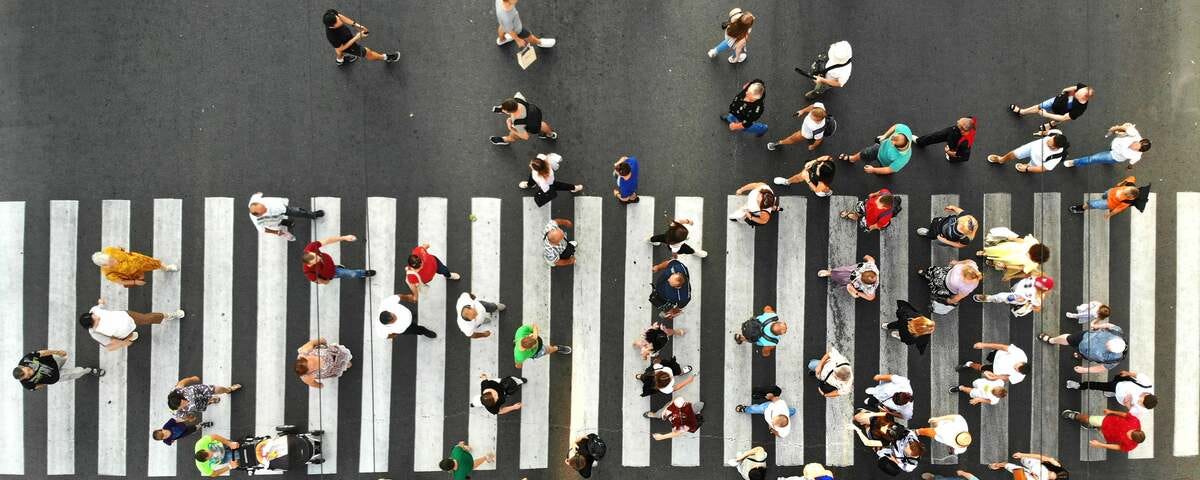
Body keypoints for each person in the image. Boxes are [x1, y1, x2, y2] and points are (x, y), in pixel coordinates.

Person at [80, 298, 184, 351]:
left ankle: (170, 315)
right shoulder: (94, 333)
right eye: (95, 320)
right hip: (124, 333)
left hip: (127, 316)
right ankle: (132, 335)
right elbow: (109, 344)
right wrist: (123, 343)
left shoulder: (94, 310)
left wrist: (101, 303)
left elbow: (99, 307)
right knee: (131, 335)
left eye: (93, 315)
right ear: (91, 325)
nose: (96, 317)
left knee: (147, 318)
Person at [848, 409, 923, 474]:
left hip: (887, 445)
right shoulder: (909, 436)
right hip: (890, 434)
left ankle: (869, 426)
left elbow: (905, 468)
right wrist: (874, 414)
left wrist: (896, 461)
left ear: (909, 456)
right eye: (907, 445)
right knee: (860, 418)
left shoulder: (911, 465)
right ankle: (869, 419)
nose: (905, 446)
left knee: (867, 427)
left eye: (905, 450)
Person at [1039, 321, 1127, 374]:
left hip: (1088, 354)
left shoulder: (1115, 360)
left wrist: (1085, 370)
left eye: (1108, 348)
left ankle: (1081, 355)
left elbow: (1101, 368)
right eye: (1108, 343)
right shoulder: (1117, 332)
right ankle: (1052, 340)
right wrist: (1097, 326)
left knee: (1084, 355)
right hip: (1084, 337)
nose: (1106, 345)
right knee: (1068, 338)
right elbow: (1108, 325)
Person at [322, 9, 400, 66]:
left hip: (345, 38)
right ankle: (386, 57)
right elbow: (341, 48)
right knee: (368, 53)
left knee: (339, 53)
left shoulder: (330, 14)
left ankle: (339, 60)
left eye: (338, 17)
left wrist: (358, 25)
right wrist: (357, 37)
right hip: (347, 45)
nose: (340, 19)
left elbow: (341, 16)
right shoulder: (331, 36)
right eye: (338, 21)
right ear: (332, 26)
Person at [1066, 370, 1157, 417]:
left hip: (1120, 395)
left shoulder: (1143, 410)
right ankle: (1081, 386)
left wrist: (1128, 404)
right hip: (1121, 383)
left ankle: (1079, 386)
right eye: (1141, 399)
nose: (1138, 400)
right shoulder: (1148, 385)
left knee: (1098, 386)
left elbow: (1131, 414)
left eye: (1140, 403)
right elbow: (1138, 375)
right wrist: (1127, 373)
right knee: (1110, 380)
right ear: (1147, 394)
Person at [1064, 122, 1150, 169]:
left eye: (1136, 148)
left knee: (1092, 159)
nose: (1134, 146)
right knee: (1105, 155)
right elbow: (1125, 128)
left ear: (1139, 151)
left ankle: (1075, 162)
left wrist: (1129, 166)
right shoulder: (1136, 135)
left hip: (1113, 156)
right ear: (1139, 140)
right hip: (1115, 144)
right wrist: (1114, 129)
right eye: (1136, 143)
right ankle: (1107, 162)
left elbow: (1132, 162)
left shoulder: (1137, 156)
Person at [837, 123, 914, 175]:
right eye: (893, 137)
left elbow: (890, 169)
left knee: (883, 172)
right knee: (864, 153)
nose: (891, 141)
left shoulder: (904, 157)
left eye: (894, 142)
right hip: (879, 149)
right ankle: (852, 159)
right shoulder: (904, 129)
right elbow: (896, 126)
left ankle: (877, 171)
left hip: (885, 164)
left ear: (899, 147)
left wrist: (873, 170)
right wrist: (885, 135)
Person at [1009, 83, 1094, 129]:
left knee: (1058, 120)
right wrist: (1065, 90)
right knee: (1039, 106)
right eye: (1076, 91)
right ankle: (1022, 112)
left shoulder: (1080, 109)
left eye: (1077, 94)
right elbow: (1075, 87)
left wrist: (1046, 115)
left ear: (1084, 98)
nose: (1075, 93)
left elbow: (1063, 118)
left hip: (1061, 113)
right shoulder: (1083, 88)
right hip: (1055, 101)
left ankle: (1050, 125)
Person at [986, 128, 1070, 173]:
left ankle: (1026, 167)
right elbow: (1047, 133)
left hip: (1036, 160)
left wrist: (1027, 169)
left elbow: (1043, 168)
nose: (1047, 142)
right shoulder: (1057, 132)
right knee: (1014, 153)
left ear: (1056, 148)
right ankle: (1001, 160)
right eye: (1050, 139)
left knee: (1029, 166)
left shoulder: (1057, 157)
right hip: (1030, 147)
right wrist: (1041, 133)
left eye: (1049, 145)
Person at [978, 227, 1050, 280]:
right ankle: (984, 252)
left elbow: (1020, 268)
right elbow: (1022, 241)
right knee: (994, 250)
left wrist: (1005, 267)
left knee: (998, 262)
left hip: (1009, 260)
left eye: (1030, 254)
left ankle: (992, 262)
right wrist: (1013, 239)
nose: (1028, 253)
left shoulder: (1033, 264)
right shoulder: (1034, 242)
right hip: (1008, 248)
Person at [1060, 408, 1145, 453]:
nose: (1128, 433)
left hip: (1107, 434)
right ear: (1136, 429)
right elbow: (1125, 415)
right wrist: (1111, 412)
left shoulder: (1131, 446)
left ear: (1133, 441)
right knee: (1087, 419)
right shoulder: (1135, 422)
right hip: (1106, 420)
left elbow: (1118, 447)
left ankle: (1094, 427)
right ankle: (1075, 415)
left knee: (1099, 428)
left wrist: (1100, 445)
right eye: (1131, 432)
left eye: (1129, 436)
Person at [246, 192, 323, 241]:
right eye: (264, 211)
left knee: (299, 211)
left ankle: (313, 215)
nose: (266, 208)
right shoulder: (257, 221)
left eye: (263, 206)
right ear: (259, 215)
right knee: (279, 222)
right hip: (275, 220)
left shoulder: (255, 200)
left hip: (282, 208)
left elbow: (258, 194)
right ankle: (286, 222)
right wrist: (276, 232)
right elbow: (262, 230)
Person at [13, 349, 101, 391]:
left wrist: (57, 352)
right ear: (21, 379)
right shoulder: (27, 385)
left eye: (27, 370)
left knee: (65, 356)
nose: (30, 372)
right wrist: (47, 379)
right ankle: (89, 370)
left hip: (55, 361)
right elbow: (38, 386)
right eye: (28, 375)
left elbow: (42, 353)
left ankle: (83, 369)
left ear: (22, 367)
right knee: (77, 373)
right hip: (56, 376)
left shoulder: (27, 359)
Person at [301, 234, 375, 284]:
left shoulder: (310, 248)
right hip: (332, 273)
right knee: (352, 274)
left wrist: (344, 238)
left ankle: (336, 267)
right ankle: (362, 273)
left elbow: (327, 240)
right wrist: (325, 282)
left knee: (339, 269)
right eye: (316, 260)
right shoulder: (308, 272)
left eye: (317, 255)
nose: (319, 258)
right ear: (310, 264)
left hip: (329, 264)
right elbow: (319, 280)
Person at [92, 246, 177, 288]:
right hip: (134, 273)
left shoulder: (109, 250)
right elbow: (122, 282)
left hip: (138, 260)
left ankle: (166, 268)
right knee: (142, 278)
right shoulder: (109, 274)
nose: (114, 261)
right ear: (104, 265)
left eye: (111, 258)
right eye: (110, 262)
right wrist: (135, 282)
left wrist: (122, 249)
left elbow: (120, 248)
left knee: (155, 263)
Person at [520, 153, 584, 206]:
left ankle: (530, 184)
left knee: (560, 186)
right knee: (560, 185)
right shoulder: (542, 158)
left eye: (531, 165)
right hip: (549, 180)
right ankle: (575, 188)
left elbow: (546, 189)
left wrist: (543, 191)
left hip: (549, 183)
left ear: (537, 170)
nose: (529, 165)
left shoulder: (540, 178)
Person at [973, 275, 1054, 317]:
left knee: (1001, 297)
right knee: (1013, 288)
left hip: (1018, 297)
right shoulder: (1036, 277)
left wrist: (1028, 305)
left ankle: (989, 298)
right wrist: (1012, 276)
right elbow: (1026, 275)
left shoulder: (1037, 297)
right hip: (1017, 287)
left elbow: (1037, 308)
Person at [169, 376, 241, 423]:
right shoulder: (177, 413)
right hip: (198, 404)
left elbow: (182, 382)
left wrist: (192, 379)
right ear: (178, 408)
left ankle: (228, 390)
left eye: (183, 401)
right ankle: (210, 400)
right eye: (182, 405)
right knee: (206, 402)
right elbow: (186, 417)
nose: (185, 402)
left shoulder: (177, 391)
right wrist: (190, 417)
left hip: (200, 390)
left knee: (216, 389)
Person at [491, 96, 558, 145]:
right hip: (535, 112)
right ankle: (550, 134)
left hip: (530, 126)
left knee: (513, 135)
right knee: (541, 124)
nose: (503, 109)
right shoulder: (517, 98)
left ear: (509, 112)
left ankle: (504, 140)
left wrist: (510, 128)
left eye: (504, 110)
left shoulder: (517, 123)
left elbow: (525, 137)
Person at [1069, 175, 1141, 219]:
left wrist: (1109, 215)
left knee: (1093, 204)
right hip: (1109, 192)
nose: (1124, 190)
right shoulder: (1130, 184)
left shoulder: (1127, 201)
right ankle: (1099, 200)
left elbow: (1118, 209)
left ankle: (1081, 208)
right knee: (1104, 195)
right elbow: (1131, 177)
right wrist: (1122, 183)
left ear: (1130, 196)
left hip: (1108, 203)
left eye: (1125, 193)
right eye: (1125, 189)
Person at [959, 342, 1029, 385]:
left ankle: (969, 364)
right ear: (1022, 362)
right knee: (989, 357)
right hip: (997, 355)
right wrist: (983, 345)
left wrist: (994, 377)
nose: (1014, 368)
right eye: (1016, 366)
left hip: (995, 370)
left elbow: (1006, 377)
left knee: (981, 368)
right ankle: (990, 355)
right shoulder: (1019, 354)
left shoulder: (1020, 377)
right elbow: (1002, 347)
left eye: (1016, 370)